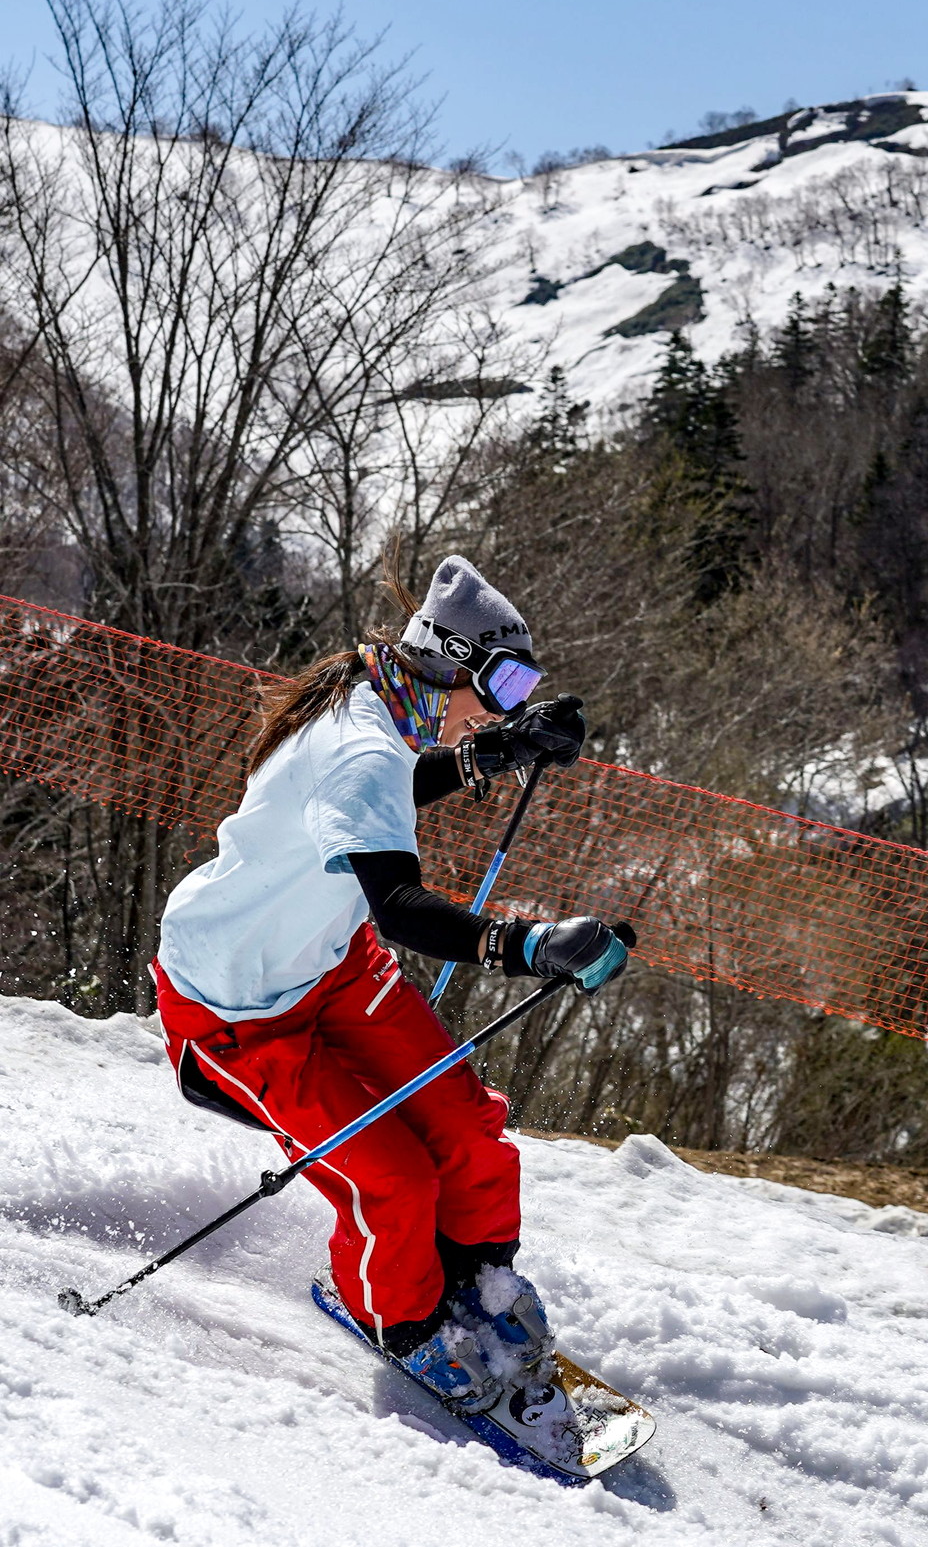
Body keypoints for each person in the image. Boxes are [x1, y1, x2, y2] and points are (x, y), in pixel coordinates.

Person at [153, 554, 629, 1411]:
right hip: (235, 1006)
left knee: (465, 1122)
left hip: (331, 966)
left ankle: (479, 1281)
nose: (512, 697)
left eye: (525, 685)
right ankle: (401, 1319)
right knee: (395, 1179)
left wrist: (501, 749)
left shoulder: (379, 698)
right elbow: (400, 905)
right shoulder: (360, 740)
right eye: (506, 682)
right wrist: (524, 945)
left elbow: (388, 789)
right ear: (453, 663)